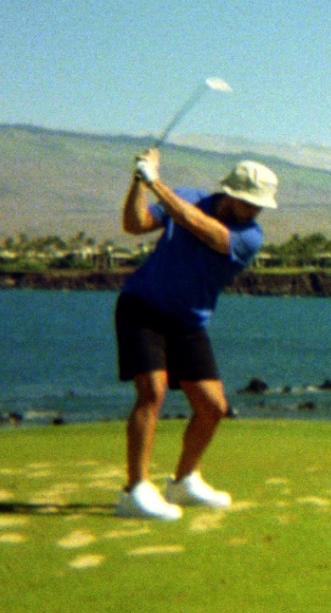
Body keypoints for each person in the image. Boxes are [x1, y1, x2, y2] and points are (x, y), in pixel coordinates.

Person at [113, 147, 277, 520]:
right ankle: (135, 490)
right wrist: (139, 182)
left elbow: (202, 229)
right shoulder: (186, 197)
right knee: (151, 392)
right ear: (231, 193)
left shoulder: (250, 236)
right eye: (250, 201)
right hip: (143, 308)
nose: (256, 210)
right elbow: (134, 224)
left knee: (212, 407)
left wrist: (156, 182)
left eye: (260, 204)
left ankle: (183, 481)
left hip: (189, 321)